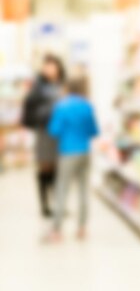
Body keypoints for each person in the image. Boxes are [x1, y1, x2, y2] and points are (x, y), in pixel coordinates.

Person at [45, 76, 99, 242]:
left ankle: (57, 230)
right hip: (85, 152)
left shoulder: (61, 106)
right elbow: (94, 131)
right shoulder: (87, 106)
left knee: (62, 190)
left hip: (67, 152)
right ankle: (82, 228)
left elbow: (53, 130)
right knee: (83, 190)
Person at [21, 54, 66, 217]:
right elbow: (29, 107)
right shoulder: (38, 86)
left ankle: (58, 203)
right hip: (44, 131)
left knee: (58, 169)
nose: (50, 69)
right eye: (47, 65)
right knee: (44, 167)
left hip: (61, 133)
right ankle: (44, 205)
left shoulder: (62, 84)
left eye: (53, 65)